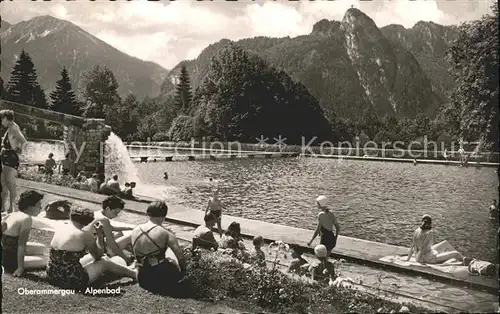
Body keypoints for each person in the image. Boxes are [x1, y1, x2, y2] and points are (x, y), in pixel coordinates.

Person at [46, 207, 137, 290]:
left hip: (52, 273)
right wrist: (99, 235)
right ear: (88, 222)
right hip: (69, 279)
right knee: (103, 261)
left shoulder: (62, 226)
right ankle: (133, 274)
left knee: (96, 257)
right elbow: (98, 256)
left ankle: (128, 269)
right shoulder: (84, 234)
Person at [130, 201, 187, 295]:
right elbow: (180, 256)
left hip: (141, 277)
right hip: (160, 277)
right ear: (164, 216)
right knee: (172, 258)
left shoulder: (135, 230)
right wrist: (184, 273)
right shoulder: (166, 233)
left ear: (148, 214)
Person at [2, 190, 49, 276]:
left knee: (43, 248)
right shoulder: (27, 219)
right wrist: (20, 267)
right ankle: (17, 264)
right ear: (31, 206)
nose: (41, 207)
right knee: (46, 259)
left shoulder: (13, 214)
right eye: (39, 205)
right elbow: (21, 245)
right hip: (8, 259)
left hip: (5, 250)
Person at [80, 196, 133, 266]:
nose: (116, 215)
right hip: (100, 251)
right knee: (130, 236)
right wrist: (125, 259)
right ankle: (130, 256)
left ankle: (128, 254)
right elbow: (112, 243)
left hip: (90, 247)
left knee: (118, 233)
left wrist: (129, 228)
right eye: (115, 212)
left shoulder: (97, 214)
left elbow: (111, 228)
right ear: (108, 209)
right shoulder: (104, 220)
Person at [1, 109, 27, 213]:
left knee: (9, 183)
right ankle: (3, 207)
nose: (1, 122)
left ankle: (11, 207)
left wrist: (19, 152)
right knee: (3, 184)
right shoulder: (10, 128)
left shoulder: (13, 128)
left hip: (11, 158)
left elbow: (24, 142)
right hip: (6, 156)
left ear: (6, 118)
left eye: (1, 119)